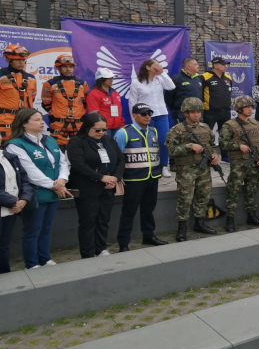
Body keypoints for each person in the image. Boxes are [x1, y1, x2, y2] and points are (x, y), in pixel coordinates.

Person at [6, 109, 70, 269]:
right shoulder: (15, 145)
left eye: (42, 119)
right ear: (24, 124)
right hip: (35, 194)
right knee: (32, 231)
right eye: (36, 120)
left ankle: (45, 258)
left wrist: (62, 180)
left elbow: (63, 162)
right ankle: (32, 263)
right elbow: (29, 171)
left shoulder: (49, 140)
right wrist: (55, 186)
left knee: (46, 229)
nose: (42, 122)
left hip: (54, 192)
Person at [66, 112, 124, 258]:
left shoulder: (108, 140)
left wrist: (115, 178)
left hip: (107, 187)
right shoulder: (76, 142)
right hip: (87, 187)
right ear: (87, 128)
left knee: (103, 219)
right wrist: (101, 177)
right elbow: (79, 165)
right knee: (88, 221)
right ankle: (87, 253)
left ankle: (101, 248)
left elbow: (120, 160)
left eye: (104, 129)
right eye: (97, 130)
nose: (101, 133)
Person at [114, 103, 168, 252]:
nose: (147, 117)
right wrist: (118, 177)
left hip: (152, 177)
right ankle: (123, 242)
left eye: (149, 114)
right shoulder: (123, 133)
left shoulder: (154, 131)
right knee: (128, 211)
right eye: (144, 114)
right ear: (134, 115)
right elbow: (117, 157)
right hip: (133, 179)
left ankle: (149, 236)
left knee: (148, 209)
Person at [165, 97, 221, 240]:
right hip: (186, 170)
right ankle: (181, 228)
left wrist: (215, 154)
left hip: (204, 169)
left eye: (198, 112)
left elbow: (213, 145)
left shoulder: (205, 128)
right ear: (185, 113)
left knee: (203, 197)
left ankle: (199, 223)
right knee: (185, 199)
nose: (196, 114)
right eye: (193, 112)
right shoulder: (177, 130)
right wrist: (189, 146)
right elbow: (170, 149)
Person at [220, 95, 259, 228]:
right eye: (246, 107)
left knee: (251, 190)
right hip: (239, 164)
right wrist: (238, 146)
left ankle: (251, 215)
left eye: (251, 106)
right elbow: (223, 143)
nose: (250, 109)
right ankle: (230, 219)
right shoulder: (229, 125)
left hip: (254, 163)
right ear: (239, 109)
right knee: (233, 191)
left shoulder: (255, 123)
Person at [128, 59, 176, 178]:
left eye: (158, 64)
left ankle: (164, 166)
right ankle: (148, 166)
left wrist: (162, 73)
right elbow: (132, 101)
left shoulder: (160, 79)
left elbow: (171, 86)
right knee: (147, 142)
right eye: (155, 65)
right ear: (148, 67)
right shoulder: (137, 82)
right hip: (145, 116)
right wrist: (134, 119)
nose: (158, 66)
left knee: (163, 141)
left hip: (161, 114)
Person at [0, 133, 33, 274]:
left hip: (10, 211)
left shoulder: (8, 156)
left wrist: (24, 199)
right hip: (10, 206)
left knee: (4, 247)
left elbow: (24, 179)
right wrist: (14, 202)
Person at [41, 55, 89, 148]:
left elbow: (85, 103)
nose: (68, 69)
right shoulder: (50, 84)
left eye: (70, 67)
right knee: (58, 154)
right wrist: (58, 115)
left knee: (79, 154)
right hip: (58, 125)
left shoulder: (83, 84)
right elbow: (46, 104)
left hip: (78, 125)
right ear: (58, 68)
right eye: (65, 66)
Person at [0, 45, 37, 139]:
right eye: (17, 60)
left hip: (25, 121)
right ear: (8, 59)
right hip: (5, 122)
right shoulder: (1, 75)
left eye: (23, 60)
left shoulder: (31, 78)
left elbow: (32, 98)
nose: (21, 62)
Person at [201, 57, 233, 158]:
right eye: (223, 64)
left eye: (226, 64)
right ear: (215, 65)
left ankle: (225, 155)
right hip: (210, 111)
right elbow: (200, 93)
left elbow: (229, 92)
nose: (225, 66)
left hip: (225, 111)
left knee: (225, 134)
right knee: (207, 134)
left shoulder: (228, 78)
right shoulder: (204, 77)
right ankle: (206, 154)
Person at [85, 68, 124, 135]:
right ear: (101, 79)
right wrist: (100, 128)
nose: (111, 80)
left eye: (112, 77)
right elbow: (94, 115)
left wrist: (121, 123)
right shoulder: (93, 94)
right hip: (103, 129)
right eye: (108, 78)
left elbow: (119, 110)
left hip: (118, 127)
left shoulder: (115, 93)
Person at [165, 57, 203, 124]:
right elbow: (169, 96)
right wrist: (175, 109)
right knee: (182, 133)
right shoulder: (177, 78)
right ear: (189, 66)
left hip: (197, 113)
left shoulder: (198, 79)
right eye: (195, 64)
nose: (198, 66)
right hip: (181, 113)